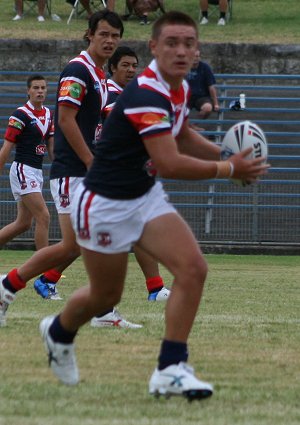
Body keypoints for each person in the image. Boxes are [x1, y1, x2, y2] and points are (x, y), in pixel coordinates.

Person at [37, 10, 268, 399]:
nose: (181, 50)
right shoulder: (146, 92)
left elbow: (181, 133)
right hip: (105, 204)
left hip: (142, 197)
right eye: (172, 43)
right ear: (154, 47)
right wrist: (230, 166)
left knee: (192, 269)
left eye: (189, 43)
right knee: (104, 297)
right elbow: (169, 161)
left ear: (197, 52)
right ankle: (58, 331)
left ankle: (169, 368)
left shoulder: (175, 86)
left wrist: (230, 156)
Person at [0, 11, 135, 323]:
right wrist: (91, 161)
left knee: (82, 243)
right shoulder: (78, 69)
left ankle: (100, 309)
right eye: (104, 34)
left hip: (84, 171)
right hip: (75, 171)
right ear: (89, 35)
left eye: (115, 35)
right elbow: (66, 119)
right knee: (74, 245)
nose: (110, 40)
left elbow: (101, 121)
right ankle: (10, 285)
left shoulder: (99, 76)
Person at [0, 75, 53, 257]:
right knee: (44, 216)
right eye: (36, 88)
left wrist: (62, 166)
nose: (40, 91)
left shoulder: (48, 114)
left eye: (43, 88)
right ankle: (45, 267)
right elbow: (6, 147)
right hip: (23, 170)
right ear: (28, 91)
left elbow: (51, 147)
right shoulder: (20, 114)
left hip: (36, 172)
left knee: (23, 223)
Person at [186, 49, 219, 120]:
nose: (195, 58)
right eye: (193, 56)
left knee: (208, 108)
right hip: (186, 96)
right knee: (174, 108)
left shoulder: (205, 68)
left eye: (197, 56)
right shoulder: (183, 66)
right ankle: (187, 127)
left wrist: (216, 103)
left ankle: (195, 125)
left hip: (202, 97)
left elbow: (211, 87)